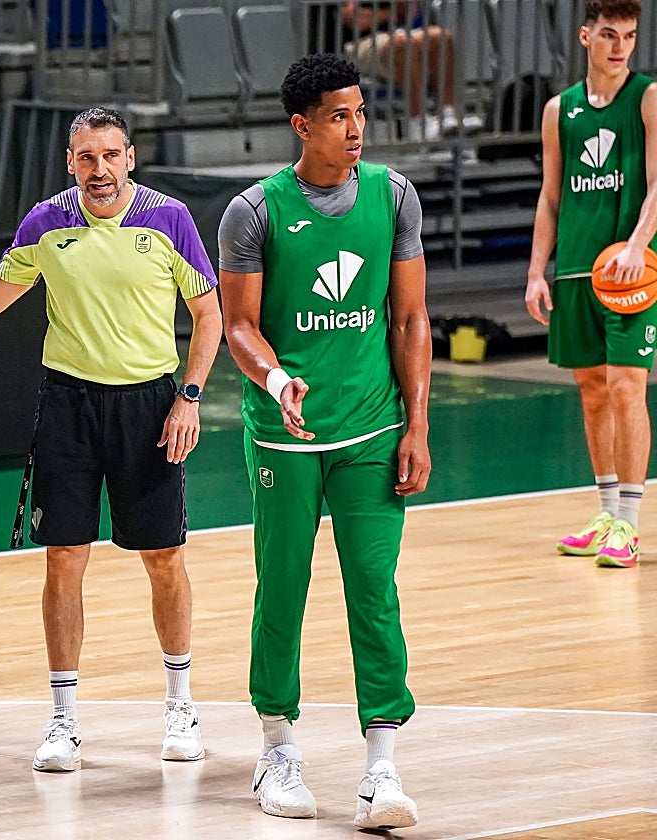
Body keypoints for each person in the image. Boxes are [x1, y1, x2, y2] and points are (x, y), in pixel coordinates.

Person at [0, 107, 222, 772]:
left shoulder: (169, 219)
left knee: (164, 560)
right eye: (87, 157)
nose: (100, 170)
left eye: (111, 155)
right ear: (70, 163)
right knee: (63, 561)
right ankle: (63, 720)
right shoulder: (46, 223)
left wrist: (189, 397)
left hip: (149, 407)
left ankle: (180, 705)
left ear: (130, 159)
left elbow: (208, 313)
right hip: (69, 406)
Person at [217, 53, 430, 830]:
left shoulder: (393, 195)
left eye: (361, 113)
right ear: (302, 126)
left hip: (373, 429)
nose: (356, 129)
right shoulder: (255, 211)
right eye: (339, 117)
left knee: (375, 593)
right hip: (285, 440)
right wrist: (278, 383)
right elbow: (239, 325)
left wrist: (419, 425)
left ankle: (382, 768)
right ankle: (278, 749)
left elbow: (409, 320)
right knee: (284, 590)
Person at [525, 0, 657, 569]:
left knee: (628, 385)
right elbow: (551, 195)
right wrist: (536, 269)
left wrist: (637, 244)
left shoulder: (647, 98)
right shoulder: (561, 111)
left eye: (629, 35)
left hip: (632, 270)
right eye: (608, 34)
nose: (620, 46)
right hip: (578, 269)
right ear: (585, 36)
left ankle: (628, 524)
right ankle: (606, 511)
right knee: (592, 389)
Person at [311, 1, 477, 141]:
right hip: (352, 46)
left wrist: (381, 13)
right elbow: (354, 19)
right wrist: (390, 14)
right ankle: (418, 122)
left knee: (440, 37)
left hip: (396, 36)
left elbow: (409, 11)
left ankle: (448, 115)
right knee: (402, 44)